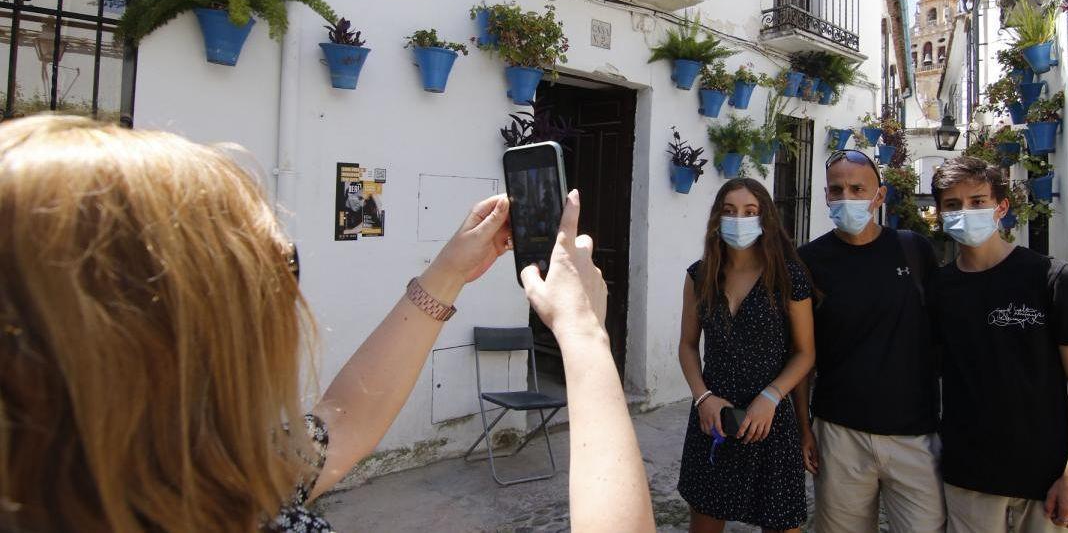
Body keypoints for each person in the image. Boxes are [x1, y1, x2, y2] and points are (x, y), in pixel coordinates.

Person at [0, 115, 654, 533]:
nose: (290, 287)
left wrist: (446, 275)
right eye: (273, 266)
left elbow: (340, 423)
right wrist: (584, 334)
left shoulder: (196, 479)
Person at [930, 157, 1068, 533]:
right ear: (940, 213)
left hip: (1048, 479)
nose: (966, 212)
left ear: (1001, 207)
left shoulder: (1050, 277)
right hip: (969, 476)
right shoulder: (938, 290)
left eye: (977, 201)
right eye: (953, 205)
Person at [794, 149, 945, 532]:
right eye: (837, 189)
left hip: (915, 435)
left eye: (858, 188)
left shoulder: (914, 250)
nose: (847, 197)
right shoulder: (808, 261)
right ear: (827, 196)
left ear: (880, 195)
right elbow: (800, 352)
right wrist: (804, 427)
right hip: (840, 435)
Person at [677, 178, 816, 533]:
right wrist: (702, 398)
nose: (739, 219)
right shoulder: (699, 275)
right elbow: (688, 346)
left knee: (781, 523)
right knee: (705, 521)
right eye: (729, 211)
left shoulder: (788, 276)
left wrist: (771, 397)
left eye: (750, 211)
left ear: (765, 219)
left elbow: (804, 353)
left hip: (769, 419)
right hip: (713, 418)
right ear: (716, 219)